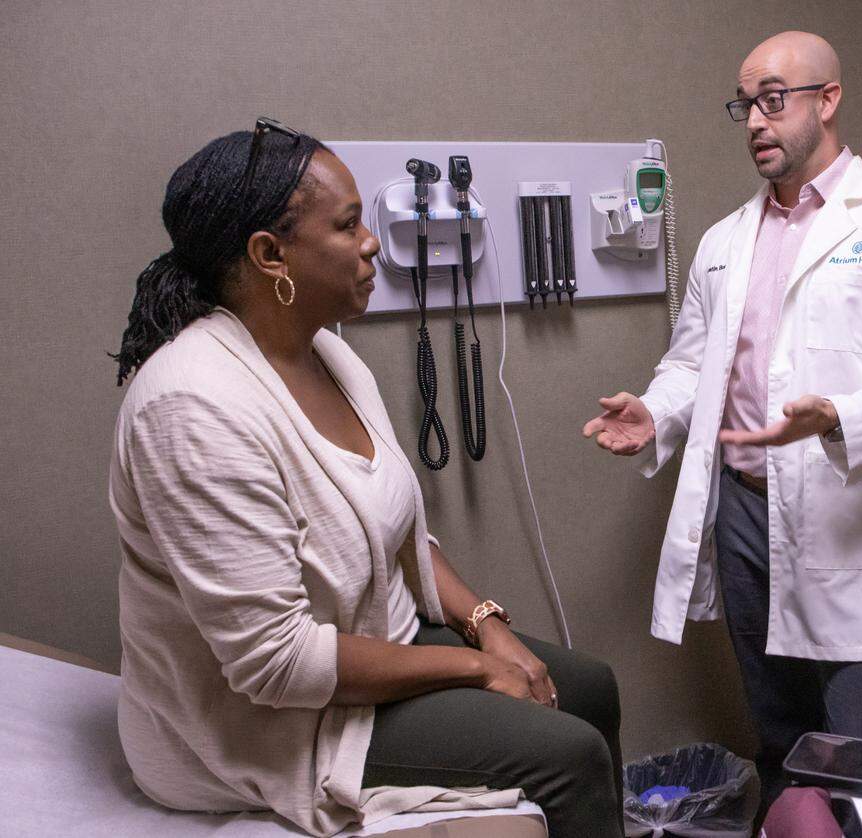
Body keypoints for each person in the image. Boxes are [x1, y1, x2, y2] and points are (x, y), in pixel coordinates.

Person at [109, 120, 622, 838]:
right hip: (274, 725)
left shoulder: (328, 356)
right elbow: (277, 663)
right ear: (270, 254)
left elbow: (402, 532)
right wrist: (474, 671)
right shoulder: (191, 408)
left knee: (589, 688)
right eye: (348, 225)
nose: (372, 240)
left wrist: (485, 626)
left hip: (369, 655)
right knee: (568, 755)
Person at [583, 31, 862, 810]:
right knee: (779, 735)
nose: (755, 121)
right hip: (746, 517)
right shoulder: (725, 242)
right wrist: (655, 412)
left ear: (827, 101)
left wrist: (840, 414)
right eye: (745, 104)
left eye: (772, 98)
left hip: (855, 520)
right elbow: (693, 363)